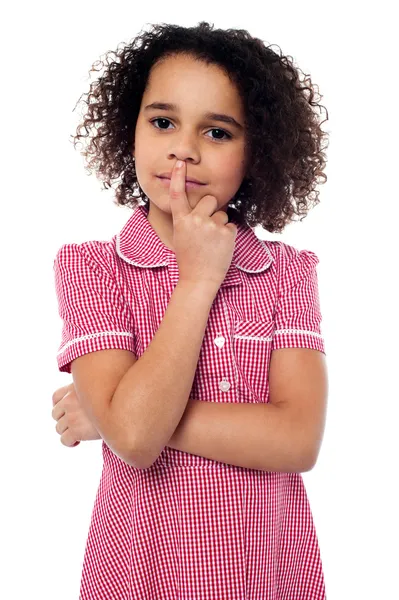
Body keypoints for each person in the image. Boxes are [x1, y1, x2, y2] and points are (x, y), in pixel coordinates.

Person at [51, 21, 329, 599]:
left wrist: (111, 414)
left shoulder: (286, 274)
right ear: (129, 130)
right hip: (135, 580)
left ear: (258, 150)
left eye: (219, 132)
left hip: (268, 582)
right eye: (163, 122)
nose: (184, 147)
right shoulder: (92, 270)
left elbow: (297, 439)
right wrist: (198, 280)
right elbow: (133, 435)